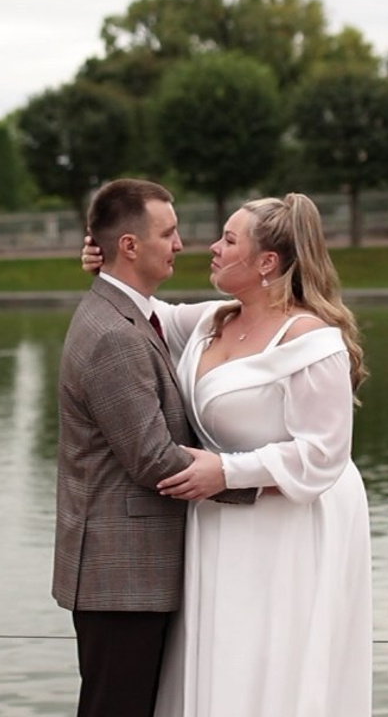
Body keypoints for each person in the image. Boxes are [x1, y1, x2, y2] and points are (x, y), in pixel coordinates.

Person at [83, 193, 373, 717]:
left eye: (229, 240)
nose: (211, 248)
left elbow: (326, 453)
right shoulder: (211, 320)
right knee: (221, 655)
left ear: (267, 262)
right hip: (219, 522)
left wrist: (227, 471)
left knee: (272, 659)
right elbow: (148, 314)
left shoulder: (311, 341)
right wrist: (110, 261)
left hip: (288, 526)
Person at [54, 178, 253, 717]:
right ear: (130, 246)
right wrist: (260, 480)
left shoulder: (127, 312)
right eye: (169, 232)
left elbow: (210, 315)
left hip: (125, 575)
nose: (181, 244)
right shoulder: (114, 334)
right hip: (122, 577)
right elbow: (152, 459)